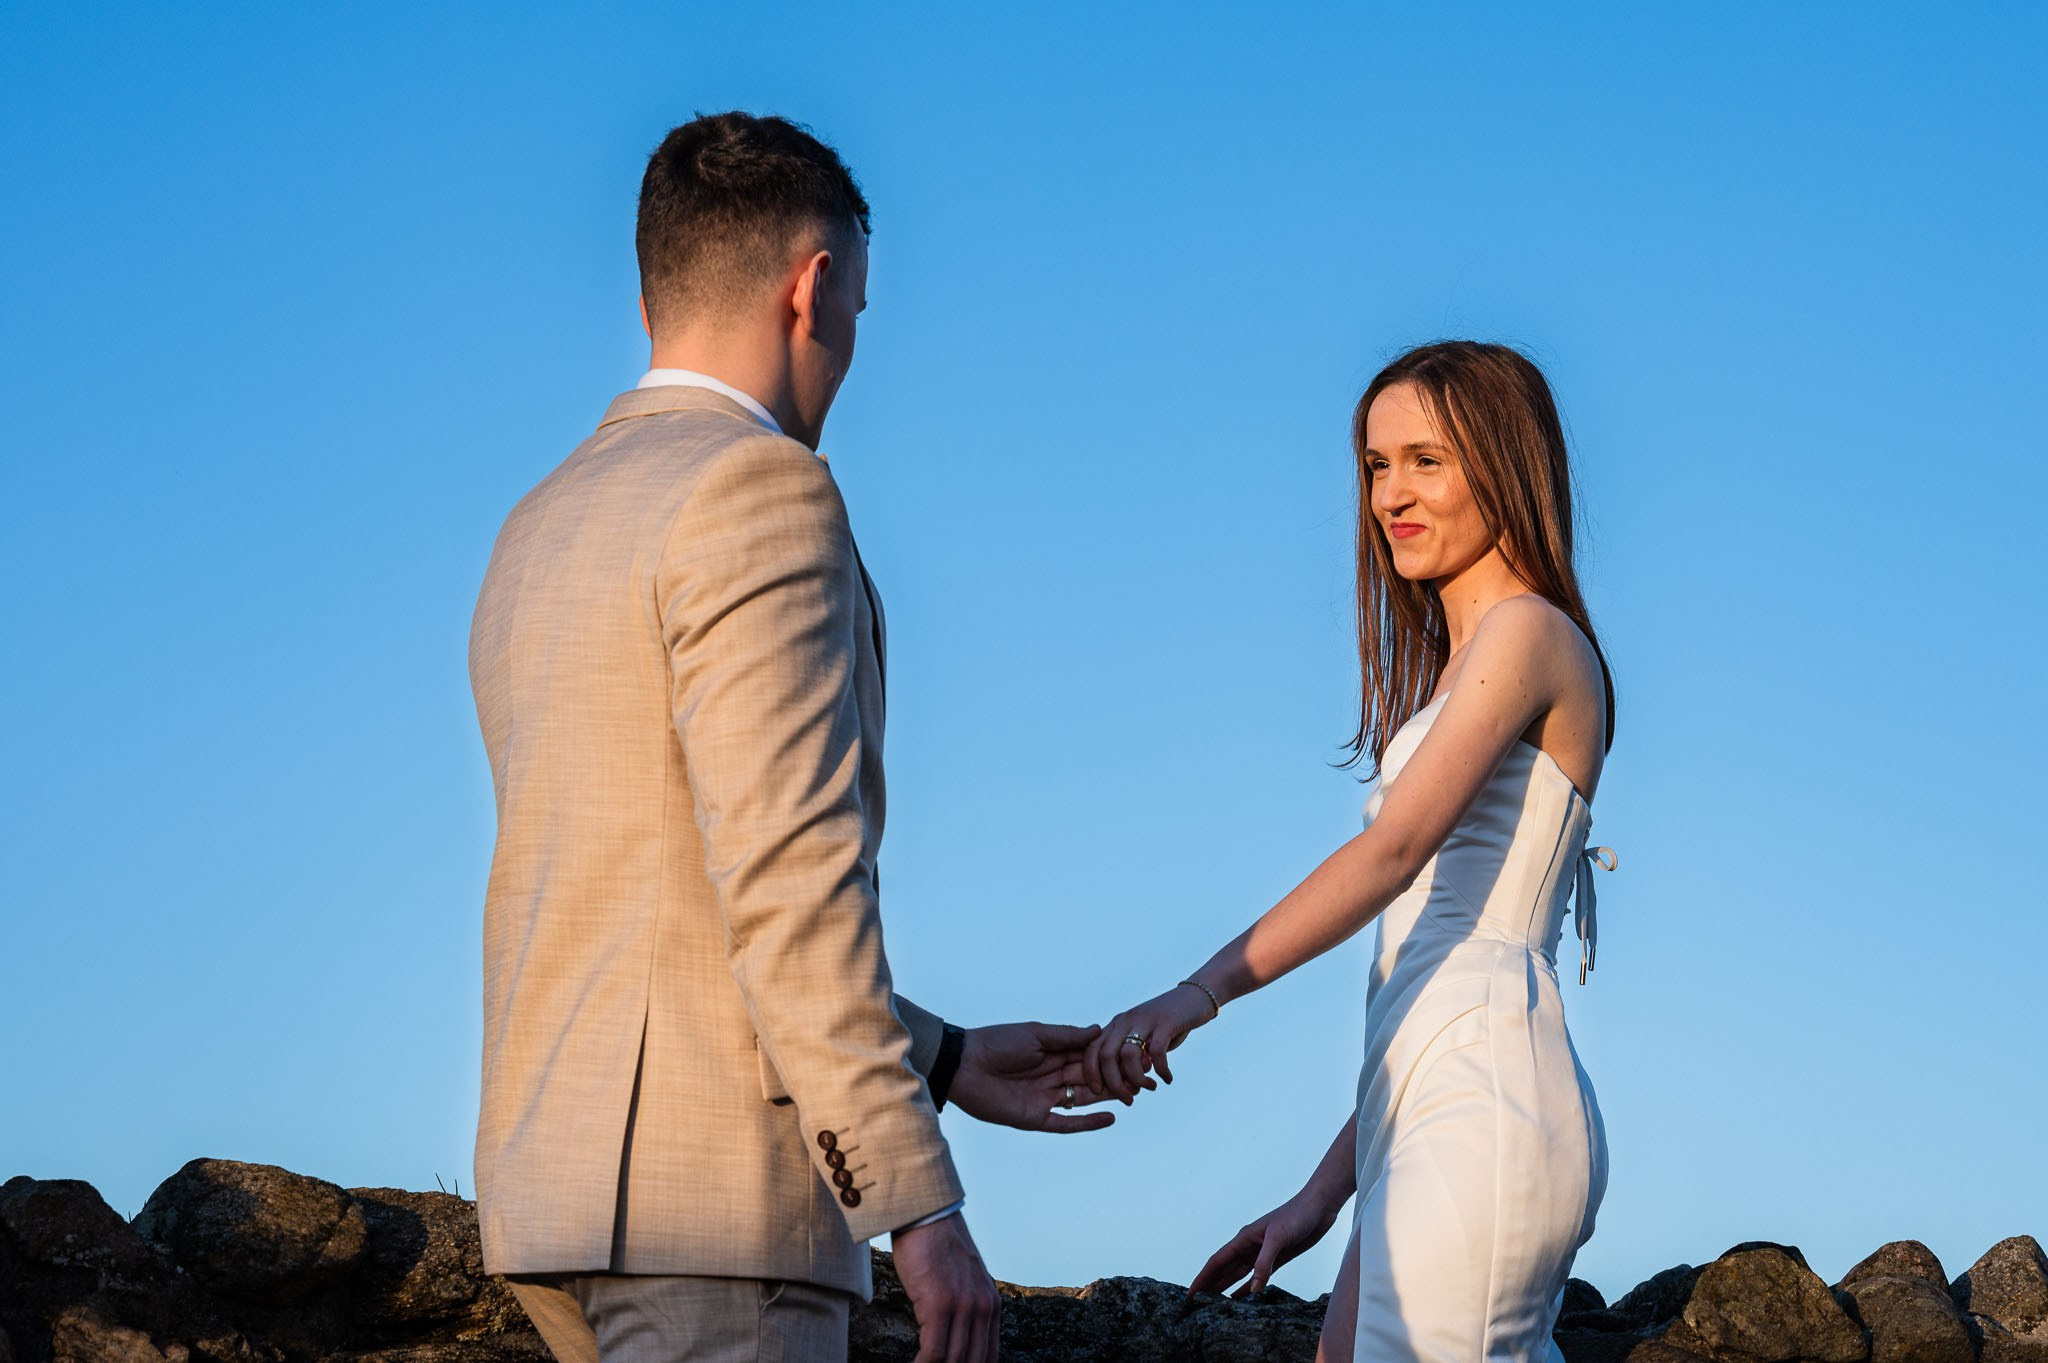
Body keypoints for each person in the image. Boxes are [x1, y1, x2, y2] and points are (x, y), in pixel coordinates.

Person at [468, 112, 1128, 1363]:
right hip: (720, 1216)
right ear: (812, 287)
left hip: (555, 1200)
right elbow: (786, 881)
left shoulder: (538, 523)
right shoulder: (758, 488)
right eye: (858, 311)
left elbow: (667, 889)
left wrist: (940, 1056)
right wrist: (916, 1203)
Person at [1086, 341, 1614, 1363]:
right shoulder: (1467, 664)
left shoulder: (1528, 634)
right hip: (1427, 1100)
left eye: (1425, 461)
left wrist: (1195, 994)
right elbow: (1421, 981)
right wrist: (1323, 1192)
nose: (1389, 495)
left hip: (1487, 1102)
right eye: (1376, 465)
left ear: (1505, 464)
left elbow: (1394, 852)